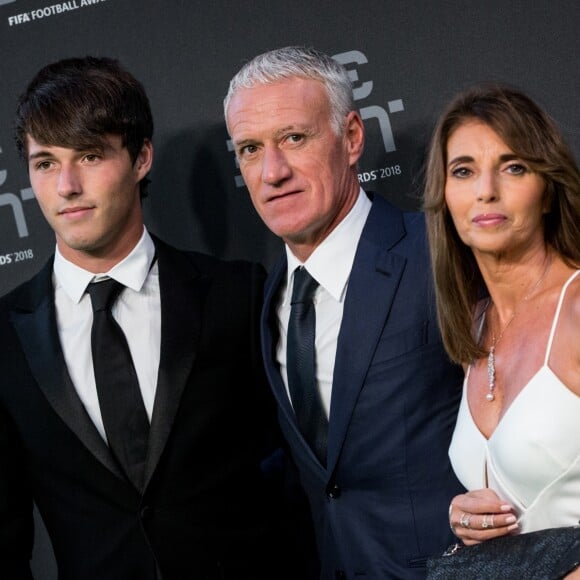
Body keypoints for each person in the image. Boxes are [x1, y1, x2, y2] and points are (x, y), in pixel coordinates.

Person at [0, 55, 293, 580]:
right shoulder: (4, 337)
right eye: (45, 163)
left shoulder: (236, 294)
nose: (66, 185)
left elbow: (298, 477)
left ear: (141, 159)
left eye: (89, 156)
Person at [224, 45, 465, 579]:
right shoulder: (268, 301)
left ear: (352, 137)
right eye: (249, 149)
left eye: (294, 138)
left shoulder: (439, 255)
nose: (272, 172)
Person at [423, 83, 580, 575]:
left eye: (513, 167)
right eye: (463, 171)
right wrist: (468, 520)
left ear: (549, 190)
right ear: (445, 195)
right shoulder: (475, 325)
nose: (485, 189)